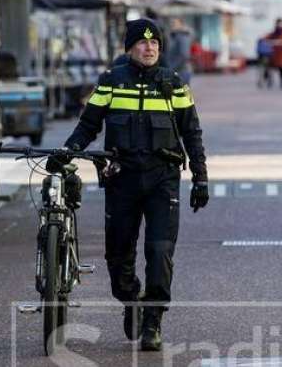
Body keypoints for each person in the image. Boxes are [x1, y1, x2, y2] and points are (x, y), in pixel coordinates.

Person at [64, 18, 209, 352]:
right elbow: (89, 125)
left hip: (163, 179)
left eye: (155, 43)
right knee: (118, 257)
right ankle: (131, 298)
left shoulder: (174, 84)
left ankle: (153, 321)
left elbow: (192, 134)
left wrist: (201, 177)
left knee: (160, 253)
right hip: (122, 179)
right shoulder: (112, 82)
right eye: (142, 43)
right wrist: (69, 151)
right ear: (129, 48)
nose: (150, 48)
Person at [166, 18, 194, 84]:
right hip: (176, 71)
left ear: (181, 25)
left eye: (174, 23)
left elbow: (184, 55)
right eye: (171, 23)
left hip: (181, 72)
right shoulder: (174, 37)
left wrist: (172, 67)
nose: (172, 25)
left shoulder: (182, 37)